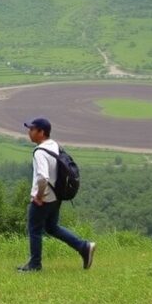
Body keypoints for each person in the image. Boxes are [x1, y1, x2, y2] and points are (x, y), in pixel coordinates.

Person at [17, 117, 95, 272]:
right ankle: (83, 247)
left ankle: (35, 264)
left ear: (41, 132)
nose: (29, 132)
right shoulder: (53, 145)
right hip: (56, 197)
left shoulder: (40, 152)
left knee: (34, 230)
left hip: (43, 199)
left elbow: (43, 177)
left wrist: (39, 196)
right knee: (52, 227)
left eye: (32, 129)